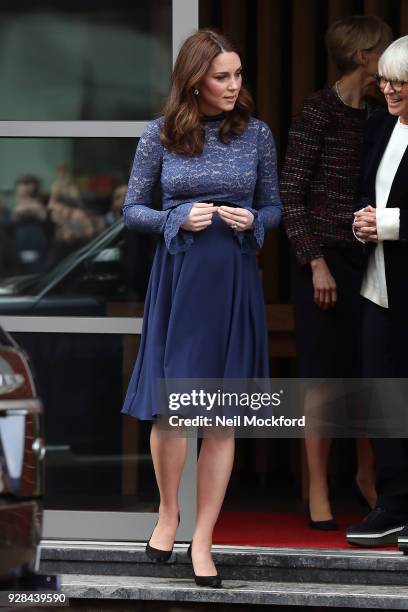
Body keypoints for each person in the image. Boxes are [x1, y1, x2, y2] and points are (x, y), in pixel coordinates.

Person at [121, 29, 281, 586]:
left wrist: (254, 221)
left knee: (220, 417)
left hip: (232, 277)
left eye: (238, 75)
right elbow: (132, 210)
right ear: (195, 81)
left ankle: (204, 538)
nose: (234, 86)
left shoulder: (257, 134)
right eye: (222, 77)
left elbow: (274, 207)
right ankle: (169, 514)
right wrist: (175, 217)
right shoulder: (159, 135)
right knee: (174, 409)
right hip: (179, 277)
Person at [281, 15, 392, 529]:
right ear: (365, 54)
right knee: (323, 381)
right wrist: (315, 262)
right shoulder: (317, 111)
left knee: (369, 375)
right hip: (321, 263)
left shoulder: (378, 115)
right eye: (383, 50)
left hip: (367, 262)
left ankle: (370, 477)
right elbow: (291, 196)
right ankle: (318, 487)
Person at [346, 35, 408, 549]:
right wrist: (361, 222)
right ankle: (393, 505)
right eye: (384, 79)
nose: (388, 90)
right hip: (379, 289)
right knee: (384, 401)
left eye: (400, 82)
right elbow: (365, 195)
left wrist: (387, 223)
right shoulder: (381, 125)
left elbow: (390, 215)